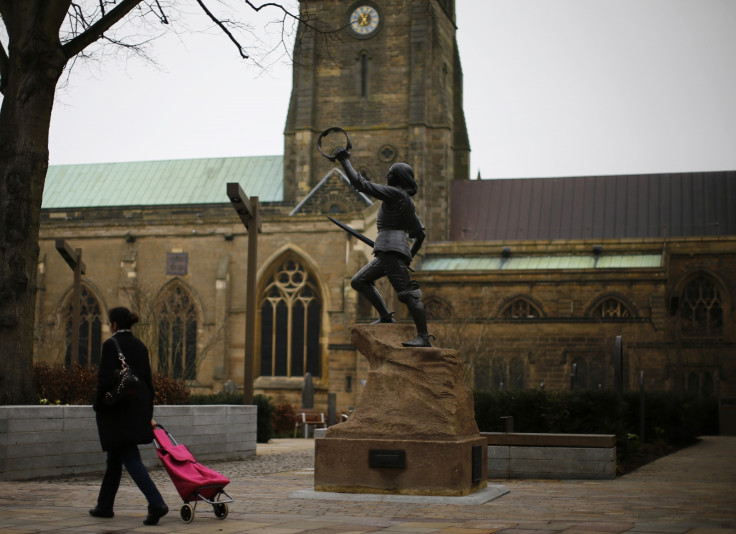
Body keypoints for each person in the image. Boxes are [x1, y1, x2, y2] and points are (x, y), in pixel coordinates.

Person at [334, 148, 432, 347]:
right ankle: (386, 316)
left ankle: (423, 337)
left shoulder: (395, 195)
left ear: (397, 178)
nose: (386, 176)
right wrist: (409, 256)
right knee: (359, 281)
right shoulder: (407, 201)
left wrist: (344, 161)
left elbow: (360, 184)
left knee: (406, 293)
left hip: (390, 250)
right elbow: (420, 234)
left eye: (390, 174)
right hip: (389, 251)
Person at [90, 306, 168, 525]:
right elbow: (149, 384)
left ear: (114, 325)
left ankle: (156, 503)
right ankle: (104, 506)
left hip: (117, 412)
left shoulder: (110, 345)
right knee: (115, 459)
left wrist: (98, 405)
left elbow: (105, 380)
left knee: (130, 458)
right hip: (137, 410)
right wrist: (147, 413)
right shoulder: (141, 346)